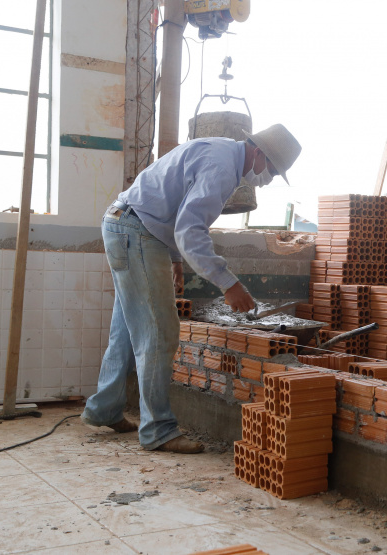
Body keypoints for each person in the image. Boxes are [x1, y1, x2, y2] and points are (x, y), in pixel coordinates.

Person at [81, 124, 302, 453]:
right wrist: (230, 284)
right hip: (135, 232)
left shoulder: (221, 151)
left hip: (125, 225)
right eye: (270, 170)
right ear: (258, 153)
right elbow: (189, 229)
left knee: (127, 329)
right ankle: (158, 430)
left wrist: (175, 261)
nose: (267, 179)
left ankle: (105, 409)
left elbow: (173, 206)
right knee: (160, 333)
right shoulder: (223, 168)